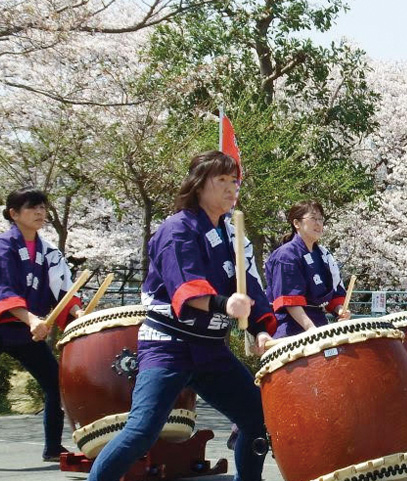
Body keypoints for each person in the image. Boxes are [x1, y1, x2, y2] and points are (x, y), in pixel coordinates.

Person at [87, 151, 277, 481]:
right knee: (142, 431)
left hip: (211, 350)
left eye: (234, 181)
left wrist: (260, 328)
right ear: (199, 184)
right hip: (168, 346)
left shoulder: (229, 234)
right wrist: (224, 305)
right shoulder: (176, 230)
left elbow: (248, 287)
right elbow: (185, 288)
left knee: (257, 419)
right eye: (222, 180)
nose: (231, 188)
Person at [0, 187, 84, 462]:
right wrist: (31, 319)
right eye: (32, 207)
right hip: (13, 322)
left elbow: (63, 290)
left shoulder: (48, 251)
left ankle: (53, 448)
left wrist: (78, 313)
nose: (40, 212)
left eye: (42, 207)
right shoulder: (3, 247)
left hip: (26, 332)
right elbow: (4, 290)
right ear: (14, 214)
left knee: (55, 384)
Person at [264, 200, 351, 339]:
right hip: (291, 329)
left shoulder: (322, 255)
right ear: (296, 223)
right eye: (313, 218)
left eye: (320, 219)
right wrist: (311, 329)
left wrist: (340, 310)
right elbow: (290, 300)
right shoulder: (286, 255)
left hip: (318, 325)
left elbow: (332, 294)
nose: (318, 223)